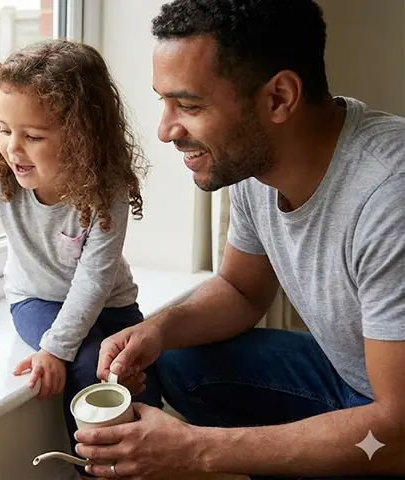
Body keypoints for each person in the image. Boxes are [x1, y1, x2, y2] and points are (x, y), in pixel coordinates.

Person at [70, 0, 405, 479]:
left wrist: (195, 450)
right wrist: (157, 330)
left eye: (188, 105)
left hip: (395, 430)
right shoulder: (255, 166)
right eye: (164, 102)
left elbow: (398, 432)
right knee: (179, 358)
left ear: (279, 98)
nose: (166, 130)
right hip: (353, 381)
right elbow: (241, 291)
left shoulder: (389, 196)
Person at [0, 38, 162, 478]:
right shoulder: (3, 177)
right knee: (88, 365)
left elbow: (93, 283)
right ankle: (95, 470)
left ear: (82, 137)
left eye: (33, 136)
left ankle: (153, 461)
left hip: (110, 303)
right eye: (4, 129)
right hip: (36, 301)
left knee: (137, 372)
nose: (13, 148)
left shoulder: (105, 192)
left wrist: (60, 348)